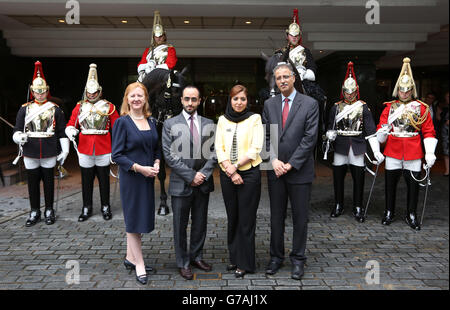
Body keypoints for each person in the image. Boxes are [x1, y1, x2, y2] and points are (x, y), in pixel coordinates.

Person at [262, 63, 319, 280]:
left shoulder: (310, 104)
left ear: (294, 78)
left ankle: (298, 260)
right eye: (278, 78)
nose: (283, 80)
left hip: (300, 171)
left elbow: (310, 138)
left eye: (286, 76)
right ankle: (276, 258)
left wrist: (291, 163)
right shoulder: (269, 104)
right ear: (275, 81)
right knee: (276, 217)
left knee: (300, 218)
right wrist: (274, 160)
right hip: (275, 170)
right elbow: (266, 136)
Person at [162, 85, 216, 280]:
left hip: (202, 182)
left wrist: (202, 174)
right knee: (180, 226)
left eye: (194, 99)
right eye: (187, 99)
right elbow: (169, 155)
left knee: (200, 223)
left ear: (199, 100)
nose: (190, 103)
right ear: (182, 100)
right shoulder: (170, 124)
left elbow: (215, 153)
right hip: (180, 183)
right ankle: (183, 262)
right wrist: (190, 175)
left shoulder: (209, 123)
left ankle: (197, 256)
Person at [376, 58, 437, 231]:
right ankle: (389, 211)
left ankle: (411, 213)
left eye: (407, 90)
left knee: (413, 186)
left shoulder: (421, 108)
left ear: (411, 90)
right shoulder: (389, 107)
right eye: (401, 90)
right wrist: (382, 132)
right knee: (390, 185)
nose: (404, 94)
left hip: (413, 151)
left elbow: (428, 131)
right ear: (398, 90)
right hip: (393, 150)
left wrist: (430, 152)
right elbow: (380, 129)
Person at [111, 82, 161, 285]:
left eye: (140, 95)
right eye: (132, 96)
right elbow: (117, 155)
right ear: (127, 99)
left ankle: (130, 258)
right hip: (132, 178)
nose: (136, 99)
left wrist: (156, 162)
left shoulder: (151, 121)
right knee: (133, 222)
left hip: (148, 178)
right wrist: (140, 168)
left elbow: (156, 148)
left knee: (140, 219)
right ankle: (139, 263)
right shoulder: (122, 123)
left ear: (145, 98)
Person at [325, 62, 384, 222]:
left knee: (359, 178)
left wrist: (376, 150)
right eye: (346, 92)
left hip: (357, 144)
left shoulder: (363, 107)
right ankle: (338, 204)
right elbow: (330, 127)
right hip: (340, 145)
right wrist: (329, 135)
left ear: (356, 92)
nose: (349, 95)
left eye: (352, 92)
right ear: (343, 91)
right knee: (338, 177)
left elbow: (371, 131)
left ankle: (358, 206)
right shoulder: (335, 108)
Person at [215, 85, 264, 278]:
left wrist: (235, 167)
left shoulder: (255, 119)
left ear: (247, 101)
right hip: (228, 175)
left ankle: (246, 263)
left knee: (246, 220)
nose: (239, 102)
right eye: (235, 99)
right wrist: (230, 169)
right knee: (233, 218)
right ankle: (235, 258)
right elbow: (219, 147)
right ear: (230, 100)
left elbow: (255, 148)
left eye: (242, 99)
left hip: (249, 174)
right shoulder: (222, 120)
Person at [13, 61, 69, 227]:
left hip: (49, 149)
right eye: (37, 92)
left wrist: (64, 150)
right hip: (30, 149)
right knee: (32, 183)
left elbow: (61, 131)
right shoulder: (24, 109)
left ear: (47, 90)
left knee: (49, 182)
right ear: (32, 91)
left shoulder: (55, 109)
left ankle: (49, 210)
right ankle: (34, 210)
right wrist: (18, 137)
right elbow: (17, 129)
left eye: (43, 91)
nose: (40, 94)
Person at [65, 64, 119, 222]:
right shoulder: (79, 107)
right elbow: (71, 123)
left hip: (103, 147)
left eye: (94, 92)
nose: (91, 95)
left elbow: (117, 128)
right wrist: (69, 130)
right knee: (86, 181)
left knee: (104, 181)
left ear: (100, 91)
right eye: (89, 92)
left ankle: (105, 206)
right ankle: (86, 207)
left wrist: (117, 148)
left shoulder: (109, 106)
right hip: (85, 148)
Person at [273, 8, 325, 104]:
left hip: (302, 79)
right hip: (284, 79)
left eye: (296, 36)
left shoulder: (305, 51)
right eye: (292, 35)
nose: (294, 38)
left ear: (300, 36)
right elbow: (275, 68)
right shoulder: (280, 52)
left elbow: (312, 67)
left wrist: (304, 73)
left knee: (318, 99)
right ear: (287, 36)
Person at [137, 10, 177, 82]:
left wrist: (155, 67)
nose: (158, 38)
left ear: (164, 36)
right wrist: (147, 66)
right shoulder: (148, 50)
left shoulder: (170, 49)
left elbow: (171, 64)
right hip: (148, 74)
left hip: (163, 75)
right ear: (154, 37)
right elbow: (141, 63)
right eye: (156, 36)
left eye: (160, 36)